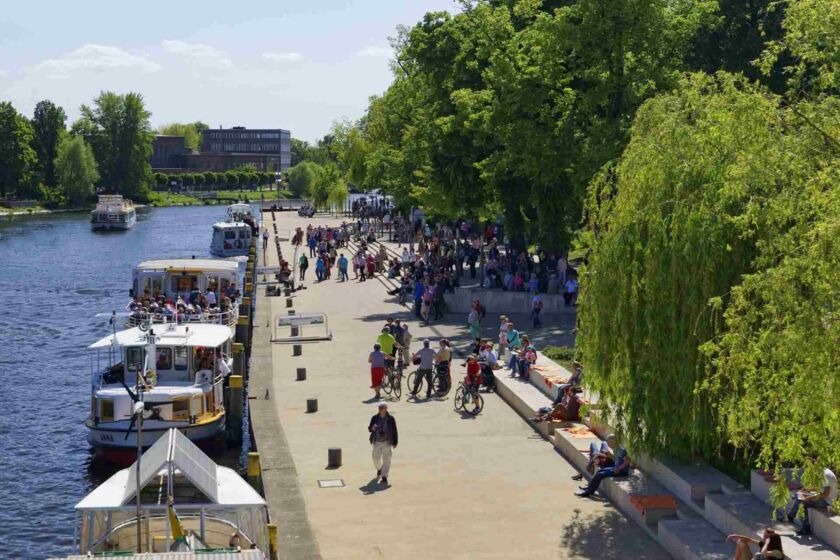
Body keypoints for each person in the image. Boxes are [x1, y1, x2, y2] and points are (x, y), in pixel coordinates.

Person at [787, 467, 837, 535]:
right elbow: (820, 487)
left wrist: (810, 497)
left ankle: (804, 526)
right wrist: (806, 489)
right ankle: (792, 515)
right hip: (823, 499)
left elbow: (825, 494)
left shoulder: (827, 475)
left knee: (803, 502)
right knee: (800, 496)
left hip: (827, 502)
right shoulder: (823, 472)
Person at [368, 402, 398, 485]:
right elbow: (369, 428)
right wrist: (372, 428)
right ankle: (379, 469)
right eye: (379, 408)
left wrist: (395, 442)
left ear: (386, 408)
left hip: (387, 442)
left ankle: (384, 476)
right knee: (375, 458)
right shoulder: (374, 418)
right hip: (377, 441)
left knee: (387, 459)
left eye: (382, 407)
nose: (380, 409)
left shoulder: (391, 419)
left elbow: (394, 430)